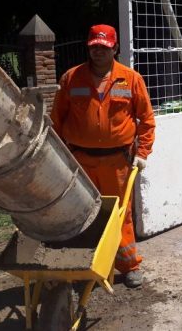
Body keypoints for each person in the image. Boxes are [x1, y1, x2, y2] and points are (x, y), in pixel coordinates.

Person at [51, 24, 155, 288]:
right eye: (94, 47)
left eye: (104, 47)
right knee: (85, 213)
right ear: (88, 47)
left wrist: (142, 153)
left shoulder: (131, 79)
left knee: (120, 214)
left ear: (115, 48)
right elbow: (57, 120)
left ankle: (129, 266)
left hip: (116, 162)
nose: (98, 52)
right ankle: (93, 265)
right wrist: (60, 154)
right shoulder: (71, 79)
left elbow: (147, 119)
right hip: (81, 161)